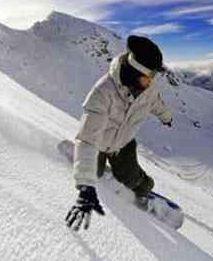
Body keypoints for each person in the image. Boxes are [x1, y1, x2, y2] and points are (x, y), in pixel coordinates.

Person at [65, 35, 173, 231]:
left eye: (153, 77)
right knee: (93, 175)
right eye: (148, 77)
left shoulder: (147, 89)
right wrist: (85, 186)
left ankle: (144, 191)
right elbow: (88, 139)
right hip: (98, 143)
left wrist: (166, 117)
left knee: (132, 178)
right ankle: (86, 165)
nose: (151, 83)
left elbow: (156, 103)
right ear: (133, 73)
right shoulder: (103, 92)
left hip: (123, 144)